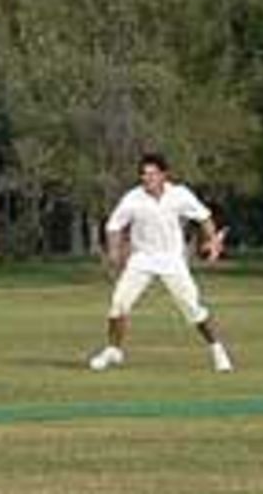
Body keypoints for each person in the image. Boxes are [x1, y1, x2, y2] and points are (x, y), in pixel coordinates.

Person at [88, 151, 233, 374]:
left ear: (164, 175)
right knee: (118, 305)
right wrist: (114, 253)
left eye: (152, 174)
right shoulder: (132, 198)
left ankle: (218, 350)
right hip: (141, 259)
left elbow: (203, 217)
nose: (147, 179)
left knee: (193, 308)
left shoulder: (180, 195)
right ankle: (113, 350)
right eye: (144, 174)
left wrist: (213, 242)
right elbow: (114, 226)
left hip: (172, 260)